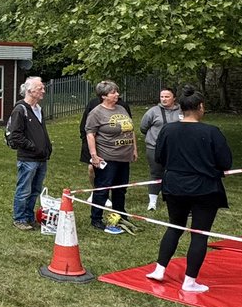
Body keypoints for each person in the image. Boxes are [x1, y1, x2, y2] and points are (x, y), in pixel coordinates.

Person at [146, 87, 232, 293]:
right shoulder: (211, 132)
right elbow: (225, 161)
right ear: (200, 107)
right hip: (204, 189)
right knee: (199, 233)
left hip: (174, 185)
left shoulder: (168, 130)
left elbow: (160, 157)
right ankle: (190, 280)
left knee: (174, 226)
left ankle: (160, 269)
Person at [85, 80, 137, 233]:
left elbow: (130, 129)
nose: (117, 95)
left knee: (121, 189)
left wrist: (134, 148)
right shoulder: (96, 113)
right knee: (103, 188)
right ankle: (96, 219)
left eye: (116, 92)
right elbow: (90, 134)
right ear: (103, 96)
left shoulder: (121, 108)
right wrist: (94, 155)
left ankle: (119, 215)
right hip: (107, 156)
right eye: (113, 92)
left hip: (124, 156)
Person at [5, 76, 52, 231]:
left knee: (35, 190)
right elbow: (15, 135)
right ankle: (19, 219)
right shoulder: (20, 109)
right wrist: (32, 147)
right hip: (28, 158)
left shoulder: (38, 109)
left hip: (41, 158)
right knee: (24, 190)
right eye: (40, 88)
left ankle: (29, 217)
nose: (43, 91)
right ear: (30, 91)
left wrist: (46, 147)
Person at [139, 86, 182, 211]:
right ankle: (152, 202)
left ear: (174, 98)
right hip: (154, 147)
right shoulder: (153, 111)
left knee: (176, 173)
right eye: (162, 96)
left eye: (167, 96)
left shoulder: (182, 110)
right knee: (156, 173)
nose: (164, 99)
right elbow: (143, 127)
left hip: (176, 148)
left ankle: (175, 200)